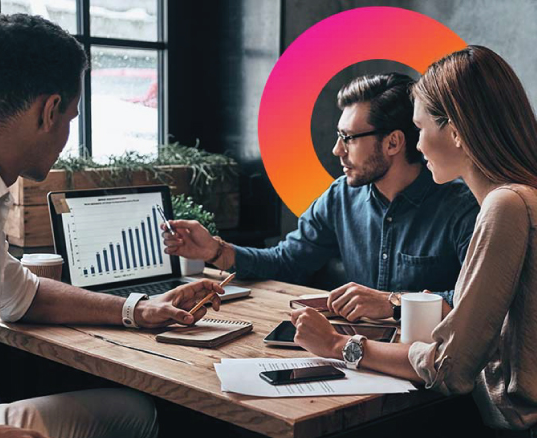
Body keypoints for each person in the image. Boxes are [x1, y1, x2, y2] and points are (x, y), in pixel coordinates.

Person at [291, 46, 537, 437]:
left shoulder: (506, 205)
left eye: (420, 129)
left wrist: (340, 345)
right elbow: (507, 329)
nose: (417, 146)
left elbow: (451, 369)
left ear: (455, 130)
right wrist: (397, 306)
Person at [0, 14, 224, 438]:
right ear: (48, 110)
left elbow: (22, 295)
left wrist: (137, 309)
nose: (67, 134)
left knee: (136, 414)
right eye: (70, 118)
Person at [163, 73, 479, 321]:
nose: (336, 150)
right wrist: (215, 250)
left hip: (426, 371)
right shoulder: (340, 198)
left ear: (393, 143)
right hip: (354, 355)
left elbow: (475, 304)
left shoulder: (462, 209)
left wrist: (391, 302)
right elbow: (287, 262)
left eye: (348, 139)